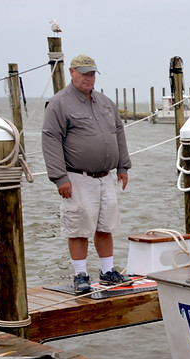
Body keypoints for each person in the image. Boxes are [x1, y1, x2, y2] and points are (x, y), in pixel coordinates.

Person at [42, 54, 131, 295]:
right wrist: (59, 178)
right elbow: (51, 140)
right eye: (84, 73)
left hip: (105, 177)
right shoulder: (59, 103)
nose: (88, 78)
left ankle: (108, 271)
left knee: (106, 225)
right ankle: (80, 274)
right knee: (78, 227)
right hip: (76, 177)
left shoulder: (105, 103)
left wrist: (123, 166)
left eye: (92, 74)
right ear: (72, 72)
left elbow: (119, 133)